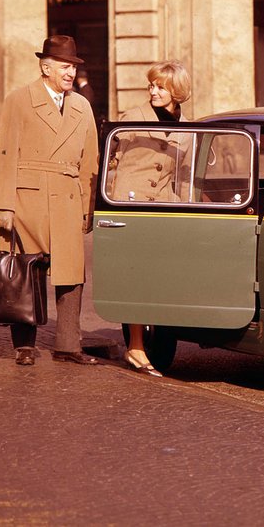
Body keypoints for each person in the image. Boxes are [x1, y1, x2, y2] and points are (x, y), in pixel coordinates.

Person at [0, 35, 99, 368]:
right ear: (45, 66)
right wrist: (4, 204)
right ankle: (24, 344)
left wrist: (87, 208)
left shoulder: (81, 105)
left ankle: (68, 345)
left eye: (73, 67)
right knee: (25, 272)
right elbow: (5, 154)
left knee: (70, 276)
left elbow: (90, 162)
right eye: (65, 66)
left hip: (67, 197)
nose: (70, 73)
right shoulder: (19, 100)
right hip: (27, 198)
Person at [111, 61, 192, 376]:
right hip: (133, 207)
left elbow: (184, 175)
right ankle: (135, 347)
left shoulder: (188, 125)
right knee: (138, 276)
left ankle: (150, 344)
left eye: (161, 87)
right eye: (152, 86)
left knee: (159, 278)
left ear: (176, 91)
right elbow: (112, 159)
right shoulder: (133, 118)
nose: (154, 91)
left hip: (164, 209)